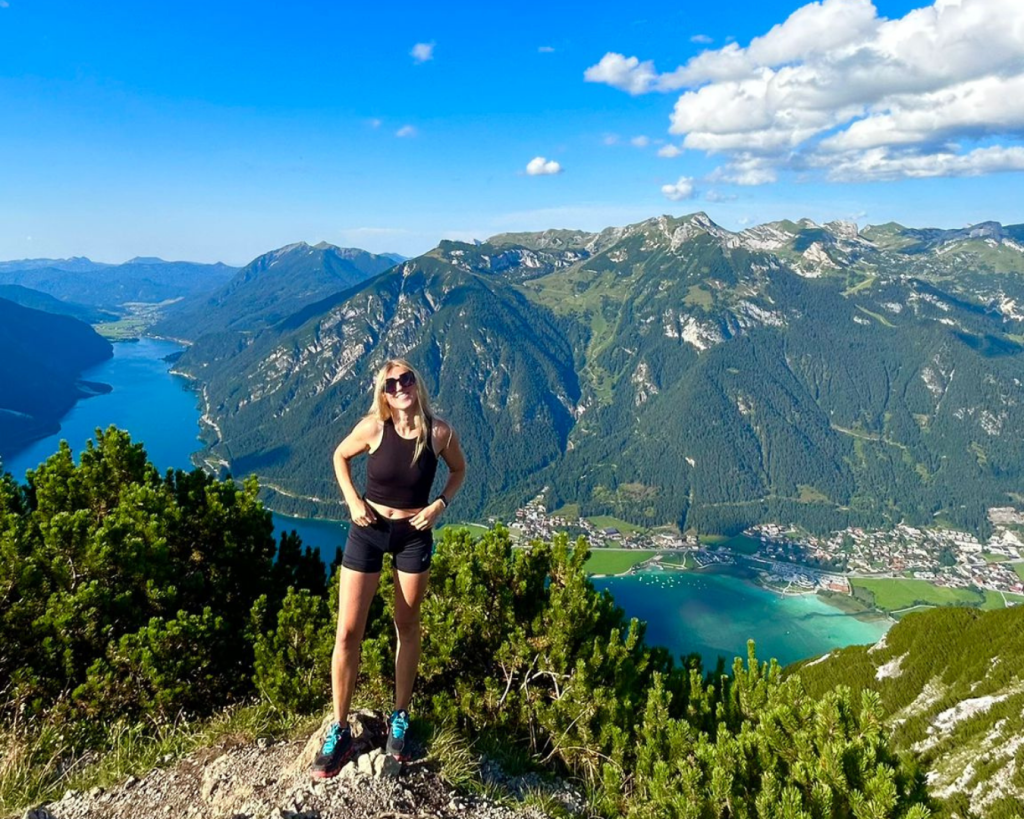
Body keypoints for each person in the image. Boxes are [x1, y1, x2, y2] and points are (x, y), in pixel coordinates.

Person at [311, 358, 466, 778]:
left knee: (407, 626)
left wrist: (439, 505)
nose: (399, 388)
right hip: (368, 530)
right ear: (382, 392)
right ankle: (340, 727)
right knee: (347, 632)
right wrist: (353, 500)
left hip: (415, 535)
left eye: (406, 379)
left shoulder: (439, 433)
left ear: (417, 383)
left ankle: (400, 715)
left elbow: (459, 470)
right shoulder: (373, 428)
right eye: (390, 383)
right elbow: (340, 457)